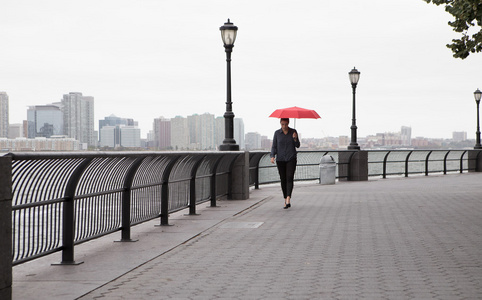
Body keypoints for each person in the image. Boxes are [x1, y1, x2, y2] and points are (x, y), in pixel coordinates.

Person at [270, 118, 300, 209]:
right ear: (280, 123)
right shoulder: (277, 133)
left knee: (289, 178)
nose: (284, 126)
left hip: (291, 158)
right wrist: (272, 156)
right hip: (280, 159)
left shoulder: (293, 132)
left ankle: (288, 199)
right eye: (282, 124)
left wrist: (295, 139)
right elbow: (274, 146)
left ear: (288, 123)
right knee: (283, 179)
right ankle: (285, 197)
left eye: (286, 124)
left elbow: (297, 145)